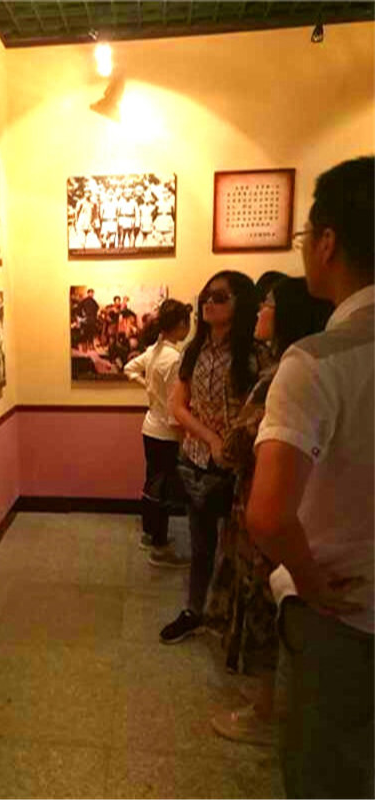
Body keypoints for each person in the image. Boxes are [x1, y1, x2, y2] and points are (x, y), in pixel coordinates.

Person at [246, 156, 374, 798]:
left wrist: (314, 587)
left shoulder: (319, 361)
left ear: (327, 241)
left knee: (325, 774)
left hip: (348, 612)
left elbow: (269, 515)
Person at [207, 277, 333, 746]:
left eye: (270, 304)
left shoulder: (281, 375)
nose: (261, 310)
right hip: (301, 503)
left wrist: (221, 442)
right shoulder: (315, 366)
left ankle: (265, 710)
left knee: (263, 600)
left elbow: (237, 447)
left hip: (264, 500)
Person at [159, 270, 259, 643]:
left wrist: (232, 443)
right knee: (200, 543)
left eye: (220, 297)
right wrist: (210, 438)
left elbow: (261, 411)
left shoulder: (254, 354)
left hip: (242, 466)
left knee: (238, 550)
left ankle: (233, 620)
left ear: (240, 303)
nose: (208, 303)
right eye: (206, 296)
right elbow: (178, 406)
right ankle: (194, 609)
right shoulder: (194, 350)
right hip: (198, 460)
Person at [124, 300, 192, 561]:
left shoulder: (154, 351)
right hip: (166, 432)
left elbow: (129, 368)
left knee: (152, 483)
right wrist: (183, 438)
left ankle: (150, 534)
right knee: (163, 488)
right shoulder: (174, 358)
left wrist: (149, 387)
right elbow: (176, 407)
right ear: (181, 325)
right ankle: (160, 546)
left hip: (150, 427)